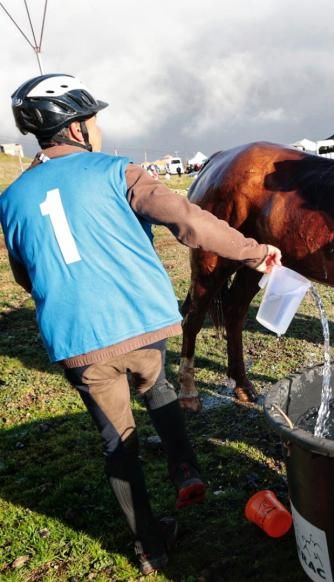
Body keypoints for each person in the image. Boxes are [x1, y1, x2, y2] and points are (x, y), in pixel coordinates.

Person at [0, 74, 282, 575]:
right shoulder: (118, 172)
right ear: (78, 128)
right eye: (93, 119)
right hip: (141, 324)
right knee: (157, 385)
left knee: (117, 440)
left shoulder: (12, 198)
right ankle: (185, 469)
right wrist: (255, 252)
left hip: (77, 341)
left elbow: (25, 274)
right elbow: (192, 223)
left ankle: (150, 547)